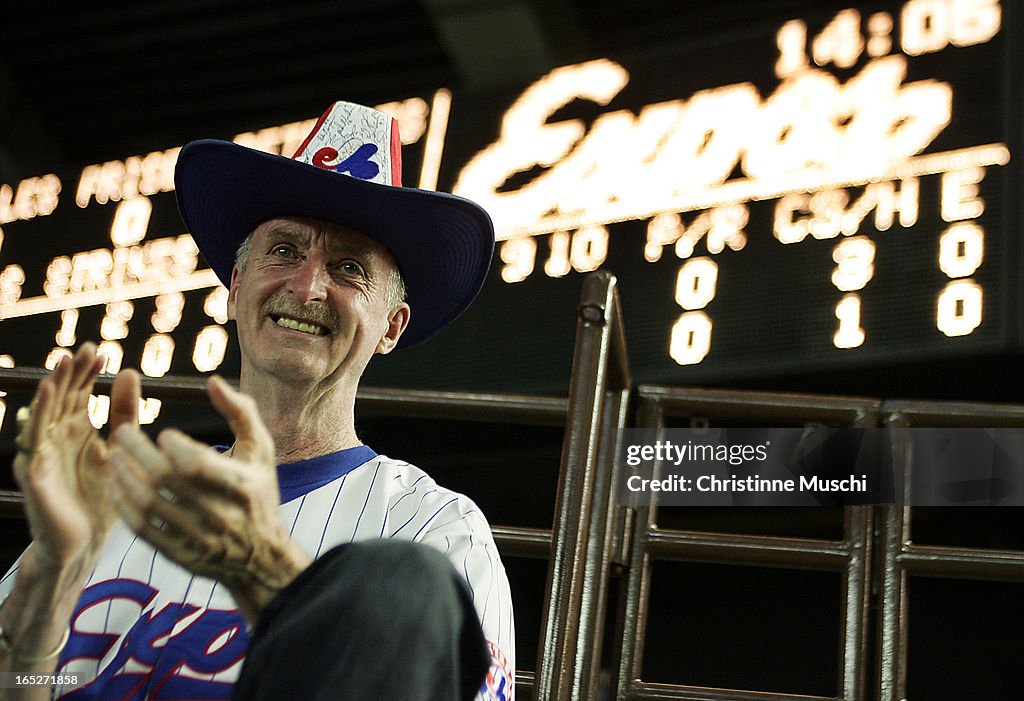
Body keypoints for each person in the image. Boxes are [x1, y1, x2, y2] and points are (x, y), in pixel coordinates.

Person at [0, 101, 514, 701]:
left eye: (348, 267)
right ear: (237, 285)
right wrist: (49, 597)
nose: (307, 285)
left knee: (405, 579)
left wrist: (265, 573)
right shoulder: (104, 507)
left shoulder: (432, 527)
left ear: (392, 327)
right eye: (285, 251)